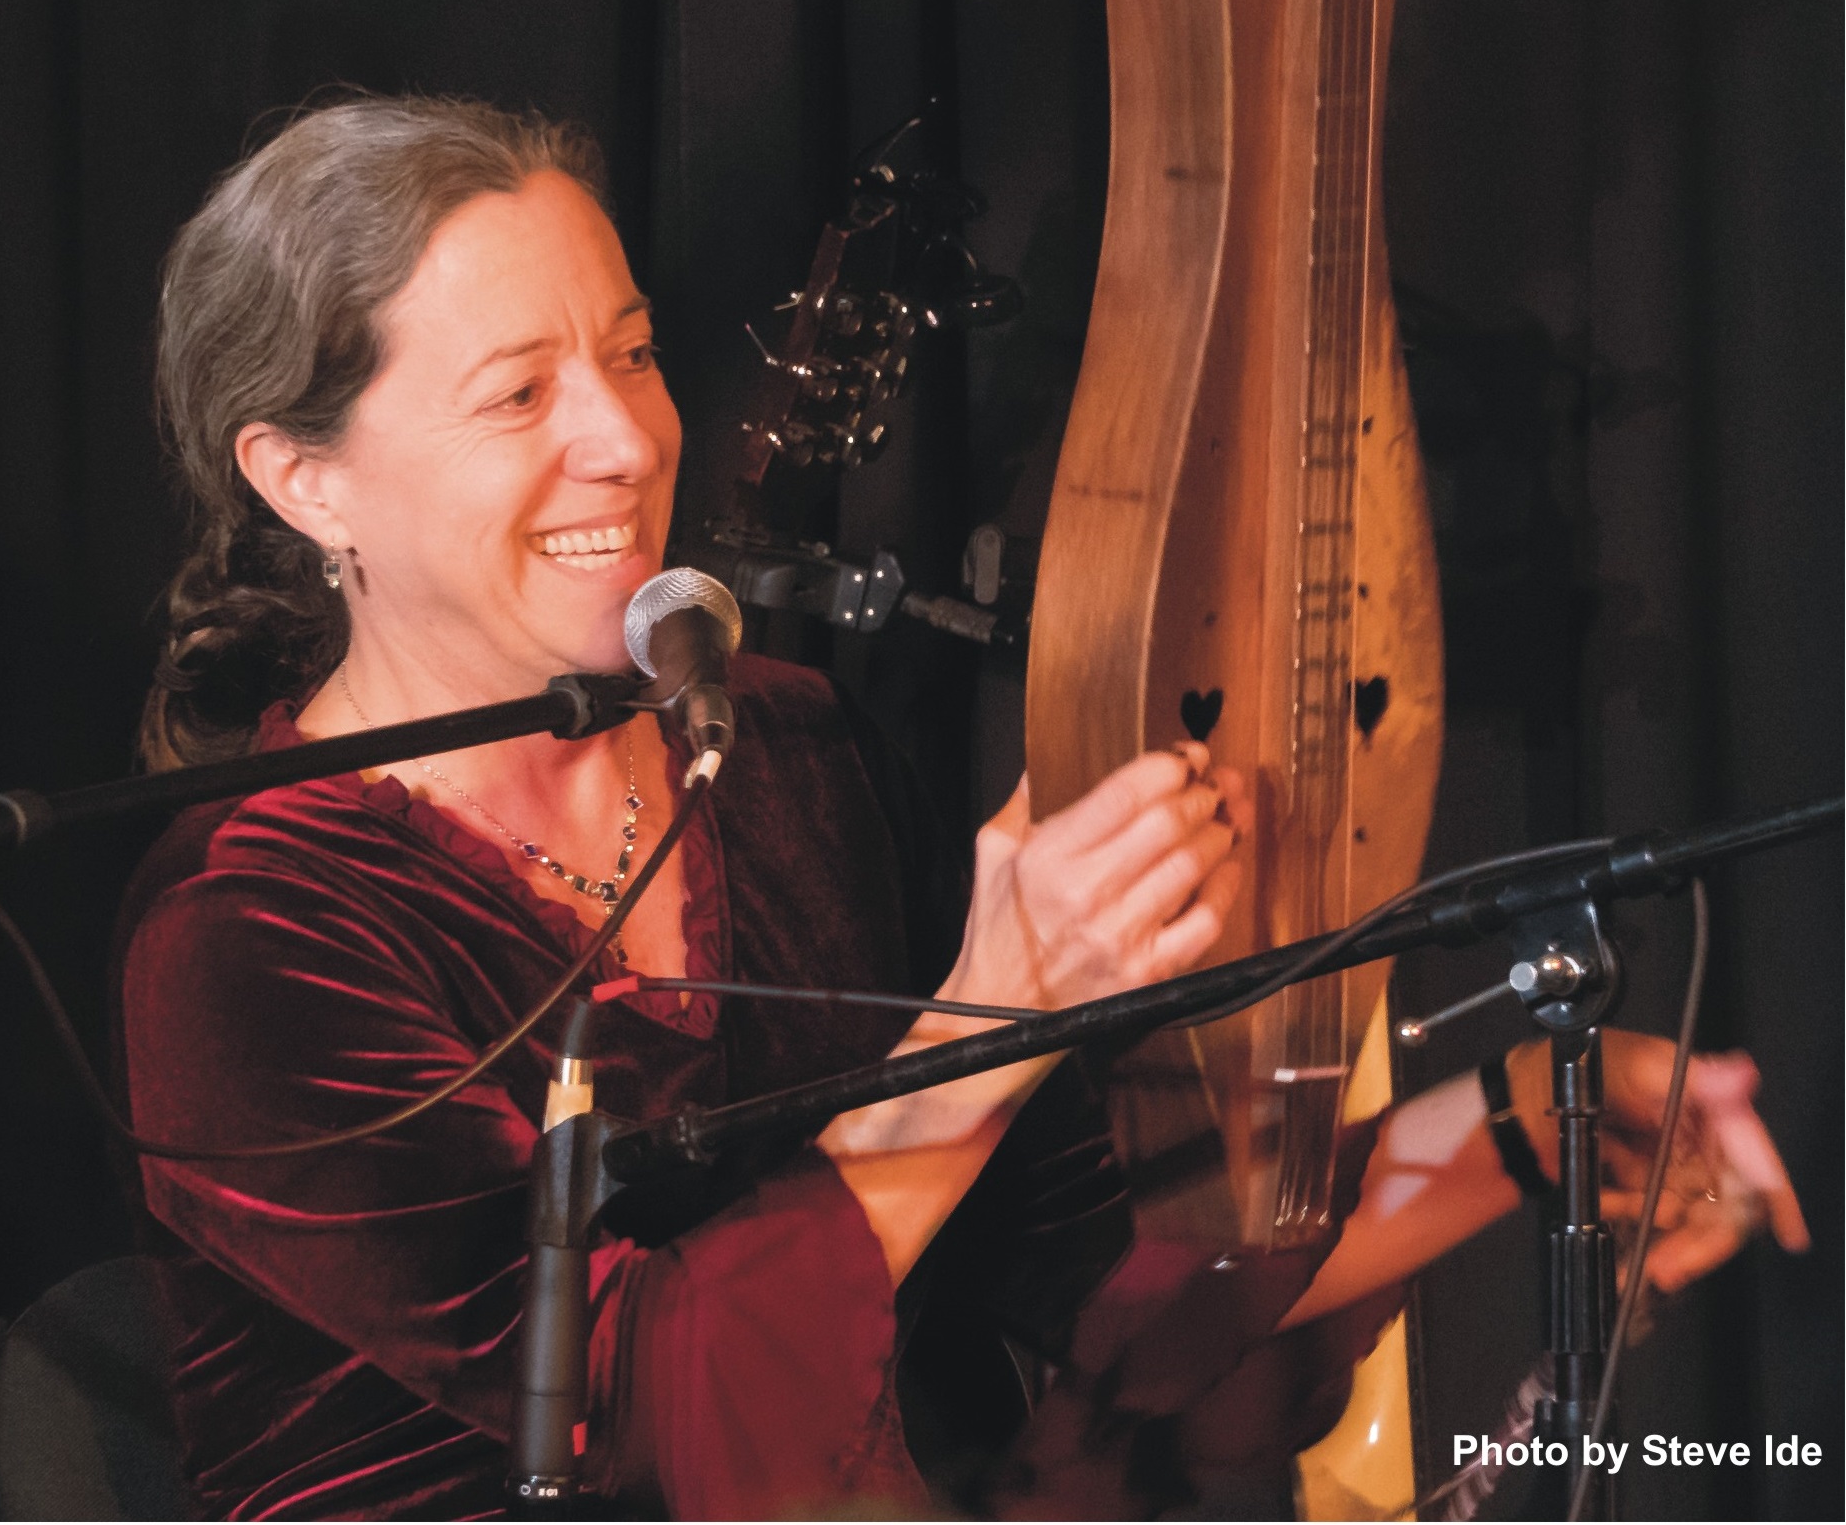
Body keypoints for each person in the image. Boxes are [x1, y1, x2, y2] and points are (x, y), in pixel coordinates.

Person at [118, 94, 1807, 1520]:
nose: (627, 437)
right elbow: (649, 1422)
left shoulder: (780, 749)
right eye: (518, 393)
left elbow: (1099, 1281)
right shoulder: (248, 928)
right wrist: (998, 1004)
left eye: (629, 353)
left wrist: (1533, 1119)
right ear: (303, 477)